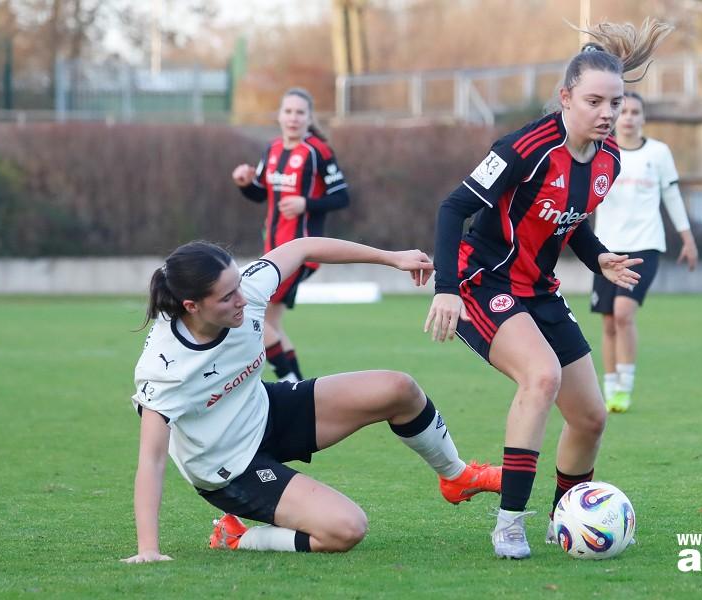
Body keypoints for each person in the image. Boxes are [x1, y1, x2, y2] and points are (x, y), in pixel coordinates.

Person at [423, 19, 672, 559]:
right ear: (565, 98)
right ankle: (509, 523)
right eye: (594, 102)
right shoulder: (525, 147)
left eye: (615, 103)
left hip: (540, 290)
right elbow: (452, 208)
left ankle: (567, 519)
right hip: (482, 281)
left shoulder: (608, 160)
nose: (607, 114)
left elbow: (570, 221)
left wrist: (598, 256)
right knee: (541, 376)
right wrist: (446, 288)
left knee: (591, 417)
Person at [122, 236, 501, 563]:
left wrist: (391, 258)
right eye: (227, 297)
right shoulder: (165, 367)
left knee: (399, 389)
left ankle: (457, 476)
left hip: (263, 410)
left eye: (239, 285)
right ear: (192, 306)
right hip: (229, 468)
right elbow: (151, 460)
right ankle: (237, 537)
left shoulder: (247, 291)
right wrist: (148, 550)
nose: (243, 299)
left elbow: (304, 247)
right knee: (345, 529)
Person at [591, 91, 698, 413]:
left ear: (643, 117)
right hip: (605, 248)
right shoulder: (599, 150)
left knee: (623, 314)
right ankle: (610, 389)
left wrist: (687, 238)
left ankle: (625, 388)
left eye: (635, 112)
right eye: (623, 111)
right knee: (609, 322)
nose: (628, 117)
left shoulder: (658, 153)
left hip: (645, 245)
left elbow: (672, 196)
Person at [232, 87, 348, 383]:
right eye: (288, 112)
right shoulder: (272, 149)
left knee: (252, 313)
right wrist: (245, 184)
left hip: (301, 253)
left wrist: (305, 204)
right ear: (279, 116)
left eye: (300, 112)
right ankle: (297, 384)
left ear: (309, 118)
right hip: (273, 250)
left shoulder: (318, 151)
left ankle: (289, 380)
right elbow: (260, 194)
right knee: (271, 321)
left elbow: (341, 197)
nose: (293, 118)